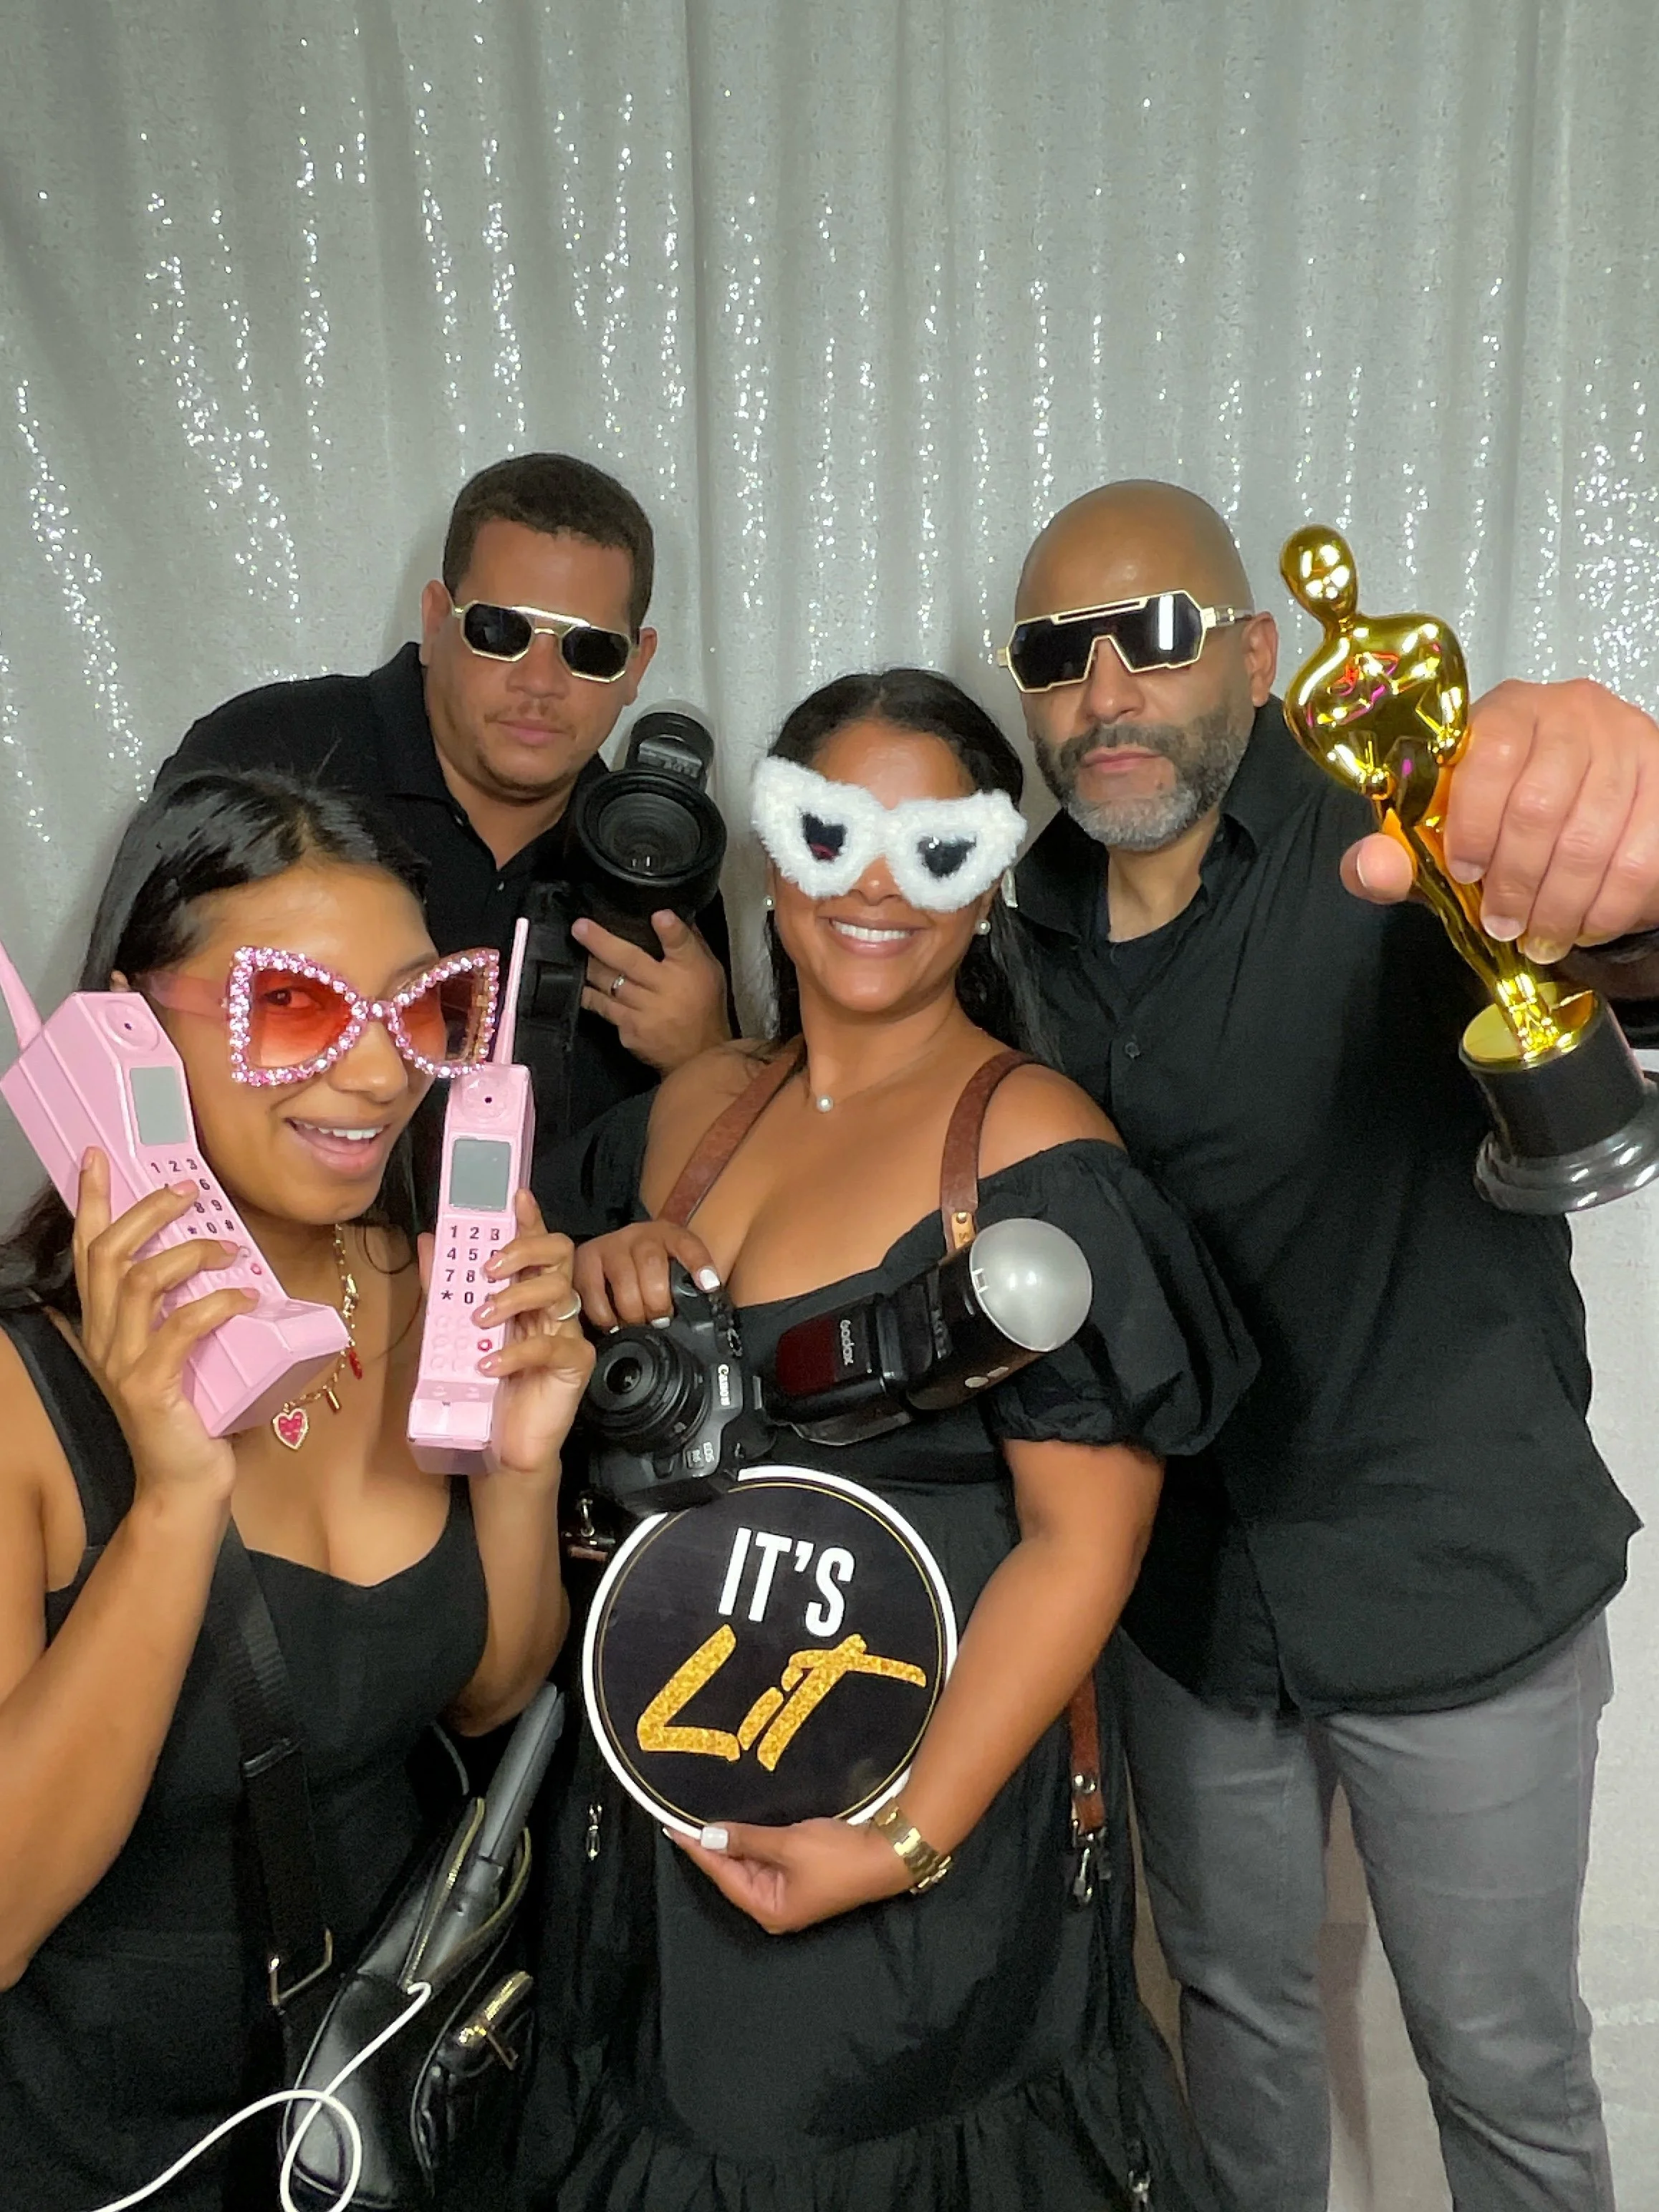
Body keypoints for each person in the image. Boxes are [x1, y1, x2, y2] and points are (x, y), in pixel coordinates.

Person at [511, 668, 1256, 2212]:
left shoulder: (1039, 1152)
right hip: (661, 1791)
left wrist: (901, 1839)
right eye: (832, 829)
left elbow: (1085, 1546)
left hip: (913, 1807)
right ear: (772, 860)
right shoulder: (696, 1108)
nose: (872, 884)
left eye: (933, 849)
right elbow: (527, 1340)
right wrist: (602, 1274)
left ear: (987, 888)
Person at [1001, 476, 1659, 2212]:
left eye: (1147, 637)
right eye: (1051, 655)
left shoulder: (1404, 821)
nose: (1101, 693)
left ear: (1253, 650)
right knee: (1231, 2027)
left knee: (1501, 2066)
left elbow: (1600, 942)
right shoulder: (1015, 929)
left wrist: (1618, 839)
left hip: (1456, 1581)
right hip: (1187, 1611)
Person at [0, 769, 592, 2209]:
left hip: (384, 2107)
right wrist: (176, 1493)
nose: (387, 1071)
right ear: (125, 1031)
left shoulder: (424, 1284)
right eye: (299, 1008)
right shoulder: (22, 1396)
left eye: (421, 1004)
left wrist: (520, 1465)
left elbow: (487, 1692)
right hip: (111, 2154)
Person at [160, 451, 734, 1222]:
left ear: (638, 667)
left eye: (589, 650)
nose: (540, 682)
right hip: (256, 1297)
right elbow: (131, 1041)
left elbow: (707, 1192)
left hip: (549, 1326)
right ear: (435, 619)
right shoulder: (272, 756)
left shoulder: (662, 861)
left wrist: (707, 1055)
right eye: (500, 631)